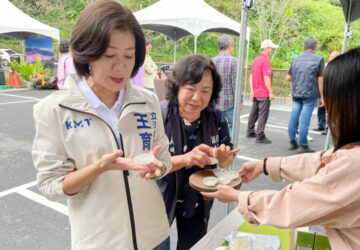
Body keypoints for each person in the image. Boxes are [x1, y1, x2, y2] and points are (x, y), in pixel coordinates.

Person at [32, 1, 172, 249]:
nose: (121, 67)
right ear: (87, 53)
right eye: (109, 55)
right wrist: (99, 168)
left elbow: (166, 159)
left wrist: (157, 169)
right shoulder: (54, 110)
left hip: (156, 234)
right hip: (100, 241)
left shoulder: (148, 100)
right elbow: (50, 185)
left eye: (129, 56)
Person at [202, 47, 360, 249]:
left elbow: (294, 203)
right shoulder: (351, 154)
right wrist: (265, 165)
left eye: (328, 96)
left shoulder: (354, 162)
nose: (326, 105)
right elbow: (321, 160)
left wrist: (238, 197)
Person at [157, 55, 240, 250]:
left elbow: (225, 162)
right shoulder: (159, 115)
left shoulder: (216, 118)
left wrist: (225, 159)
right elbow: (147, 164)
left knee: (193, 245)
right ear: (177, 86)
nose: (197, 98)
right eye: (190, 89)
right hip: (161, 193)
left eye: (205, 91)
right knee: (156, 244)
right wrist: (186, 158)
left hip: (198, 197)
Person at [286, 37, 325, 153]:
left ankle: (292, 142)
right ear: (315, 47)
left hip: (296, 94)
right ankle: (303, 145)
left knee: (294, 118)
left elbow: (288, 77)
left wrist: (298, 79)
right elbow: (320, 80)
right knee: (304, 120)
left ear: (303, 47)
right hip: (310, 94)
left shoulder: (296, 59)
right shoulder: (319, 59)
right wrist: (322, 97)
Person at [246, 39, 279, 144]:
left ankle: (250, 131)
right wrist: (270, 92)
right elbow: (266, 77)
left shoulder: (256, 60)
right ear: (266, 48)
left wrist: (252, 90)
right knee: (263, 114)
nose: (271, 50)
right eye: (270, 48)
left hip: (256, 91)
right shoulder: (265, 60)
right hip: (263, 92)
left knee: (254, 112)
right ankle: (260, 135)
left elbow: (251, 76)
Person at [212, 35, 238, 135]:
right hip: (229, 102)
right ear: (230, 46)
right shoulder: (234, 61)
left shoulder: (212, 61)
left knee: (215, 126)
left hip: (214, 102)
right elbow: (235, 83)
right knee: (233, 125)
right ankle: (230, 147)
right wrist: (239, 101)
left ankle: (216, 146)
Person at [314, 51, 340, 135]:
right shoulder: (325, 66)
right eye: (330, 57)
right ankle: (321, 125)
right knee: (321, 109)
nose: (331, 59)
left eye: (333, 57)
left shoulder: (339, 68)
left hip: (333, 93)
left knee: (330, 111)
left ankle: (328, 128)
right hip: (324, 91)